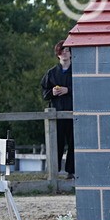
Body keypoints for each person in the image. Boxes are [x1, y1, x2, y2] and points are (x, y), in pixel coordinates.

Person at [41, 42, 75, 179]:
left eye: (67, 50)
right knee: (56, 143)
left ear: (71, 53)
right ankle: (54, 172)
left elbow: (85, 89)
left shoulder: (78, 71)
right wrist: (52, 92)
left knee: (73, 143)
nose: (65, 53)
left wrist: (68, 90)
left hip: (74, 114)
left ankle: (71, 172)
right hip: (57, 114)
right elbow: (44, 93)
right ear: (58, 54)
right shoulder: (51, 73)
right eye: (62, 50)